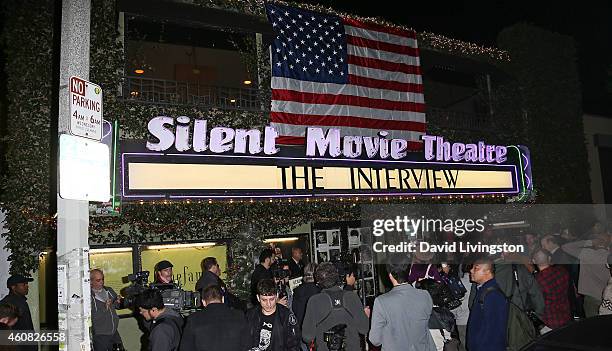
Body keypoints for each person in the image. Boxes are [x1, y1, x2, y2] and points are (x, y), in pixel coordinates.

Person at [369, 260, 436, 351]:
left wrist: (374, 319)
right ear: (409, 272)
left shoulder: (381, 302)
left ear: (390, 275)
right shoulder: (425, 295)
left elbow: (375, 340)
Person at [302, 262, 369, 351]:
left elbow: (307, 337)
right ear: (337, 277)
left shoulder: (314, 301)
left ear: (318, 281)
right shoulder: (352, 297)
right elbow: (364, 329)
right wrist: (365, 316)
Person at [469, 252, 545, 318]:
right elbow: (536, 295)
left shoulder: (480, 274)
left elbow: (472, 304)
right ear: (502, 255)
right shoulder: (519, 268)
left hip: (494, 322)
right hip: (519, 321)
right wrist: (538, 316)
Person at [179, 285, 249, 351]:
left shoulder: (193, 319)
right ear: (223, 299)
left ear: (203, 302)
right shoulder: (239, 315)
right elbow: (248, 345)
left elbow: (185, 348)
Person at [562, 232, 610, 317]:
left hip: (591, 297)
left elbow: (566, 247)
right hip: (608, 298)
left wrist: (589, 242)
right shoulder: (609, 256)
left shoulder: (588, 254)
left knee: (593, 326)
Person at [246, 279, 300, 351]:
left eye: (271, 299)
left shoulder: (286, 316)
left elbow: (294, 345)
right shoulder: (250, 315)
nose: (268, 304)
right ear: (258, 298)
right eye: (264, 300)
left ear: (277, 296)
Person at [466, 258, 509, 351]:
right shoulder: (483, 290)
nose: (471, 270)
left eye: (476, 268)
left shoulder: (493, 295)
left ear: (487, 272)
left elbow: (494, 331)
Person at [532, 249, 571, 333]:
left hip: (548, 321)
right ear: (549, 258)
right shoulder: (562, 271)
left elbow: (536, 303)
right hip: (565, 317)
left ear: (534, 261)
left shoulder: (536, 280)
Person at [90, 269, 123, 351]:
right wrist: (105, 307)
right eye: (98, 280)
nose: (101, 282)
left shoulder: (109, 290)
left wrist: (119, 301)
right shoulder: (89, 296)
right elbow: (92, 318)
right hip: (100, 334)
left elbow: (117, 306)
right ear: (91, 281)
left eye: (102, 279)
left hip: (114, 332)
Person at [0, 275, 36, 351]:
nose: (27, 286)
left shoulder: (21, 302)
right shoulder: (7, 304)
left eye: (27, 284)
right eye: (23, 284)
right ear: (13, 287)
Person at [292, 263, 320, 328]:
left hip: (301, 327)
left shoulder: (297, 291)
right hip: (316, 328)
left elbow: (294, 310)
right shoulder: (320, 291)